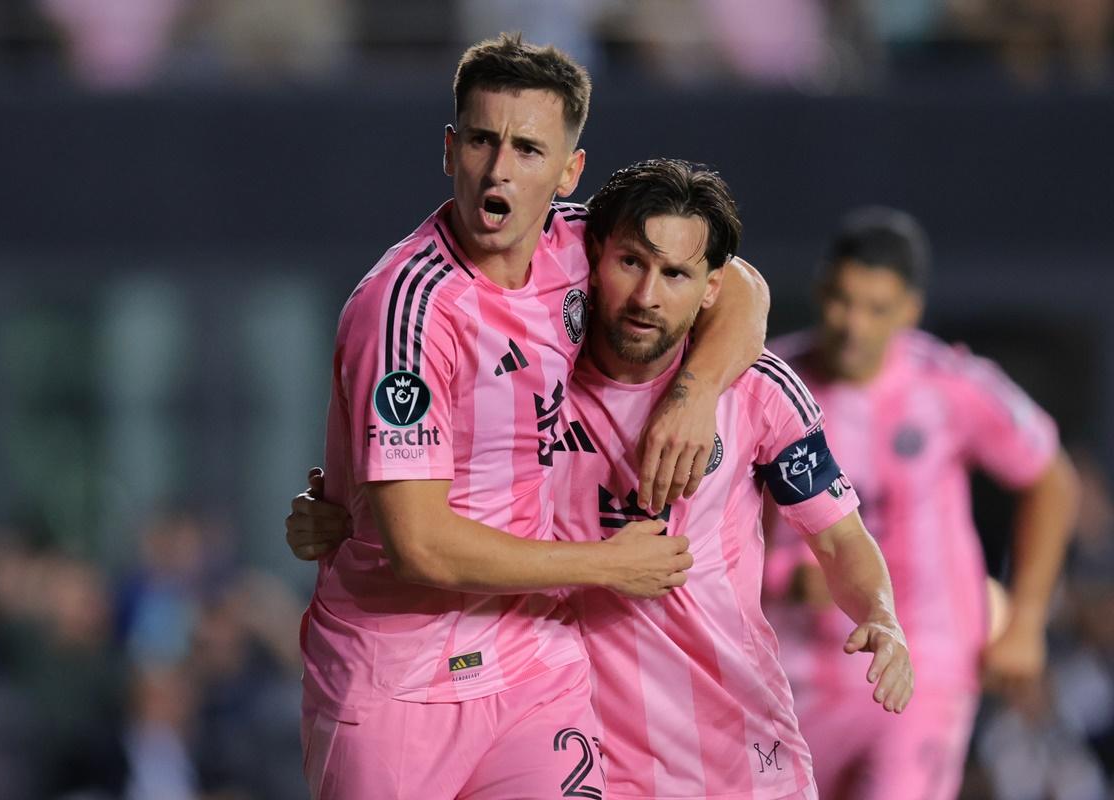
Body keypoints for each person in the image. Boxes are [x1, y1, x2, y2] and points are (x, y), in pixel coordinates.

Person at [294, 159, 914, 799]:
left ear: (709, 288)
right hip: (589, 755)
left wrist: (882, 615)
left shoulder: (757, 388)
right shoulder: (537, 383)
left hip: (744, 756)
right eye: (631, 264)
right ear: (592, 258)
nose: (648, 296)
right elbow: (425, 492)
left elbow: (841, 539)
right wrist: (346, 512)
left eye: (675, 274)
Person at [297, 35, 770, 799]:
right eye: (482, 140)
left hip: (532, 667)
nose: (500, 169)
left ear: (569, 171)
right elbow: (418, 547)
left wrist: (696, 393)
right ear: (449, 151)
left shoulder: (577, 245)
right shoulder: (409, 309)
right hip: (400, 678)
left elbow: (739, 283)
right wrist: (606, 566)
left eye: (527, 148)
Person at [761, 207, 1080, 800]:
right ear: (818, 290)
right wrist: (778, 575)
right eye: (841, 300)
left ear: (909, 310)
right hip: (792, 677)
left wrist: (1028, 619)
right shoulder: (769, 384)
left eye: (876, 308)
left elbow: (1051, 478)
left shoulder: (951, 386)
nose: (853, 324)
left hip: (924, 673)